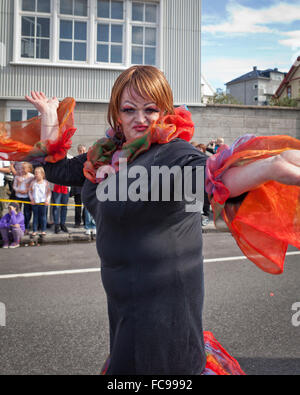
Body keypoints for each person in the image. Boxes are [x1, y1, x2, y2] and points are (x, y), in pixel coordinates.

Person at [1, 66, 300, 375]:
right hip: (124, 307)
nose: (140, 119)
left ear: (165, 111)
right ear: (117, 112)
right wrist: (50, 114)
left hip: (165, 311)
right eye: (129, 109)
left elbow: (216, 177)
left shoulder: (172, 153)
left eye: (150, 109)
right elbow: (57, 170)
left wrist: (272, 165)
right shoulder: (106, 154)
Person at [28, 167, 51, 236]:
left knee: (43, 217)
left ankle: (43, 230)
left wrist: (47, 200)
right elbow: (30, 192)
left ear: (42, 174)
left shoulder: (45, 183)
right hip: (35, 202)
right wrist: (31, 199)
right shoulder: (33, 183)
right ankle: (34, 230)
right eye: (35, 173)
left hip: (43, 202)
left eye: (37, 173)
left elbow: (49, 192)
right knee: (35, 217)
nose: (36, 175)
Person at [12, 162, 34, 233]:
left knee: (27, 212)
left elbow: (33, 186)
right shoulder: (17, 176)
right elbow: (14, 186)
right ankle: (18, 225)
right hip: (18, 196)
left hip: (27, 196)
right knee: (18, 211)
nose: (22, 170)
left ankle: (26, 226)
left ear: (29, 169)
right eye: (21, 168)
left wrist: (27, 190)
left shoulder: (31, 177)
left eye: (24, 168)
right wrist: (18, 190)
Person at [70, 144, 87, 227]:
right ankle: (77, 222)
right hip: (77, 187)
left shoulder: (88, 161)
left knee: (86, 207)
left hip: (85, 186)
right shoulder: (75, 160)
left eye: (84, 150)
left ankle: (85, 221)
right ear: (78, 151)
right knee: (78, 206)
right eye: (81, 151)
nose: (82, 152)